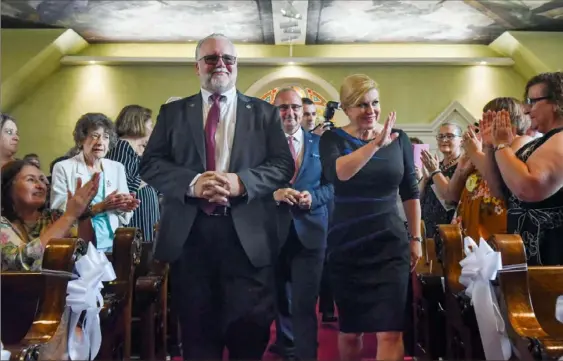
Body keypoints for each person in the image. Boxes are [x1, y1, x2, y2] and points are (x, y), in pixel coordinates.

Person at [139, 33, 294, 360]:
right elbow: (150, 164)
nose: (220, 64)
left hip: (247, 241)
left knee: (249, 336)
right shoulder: (174, 113)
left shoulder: (264, 113)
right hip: (191, 239)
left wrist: (242, 183)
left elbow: (282, 165)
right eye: (211, 58)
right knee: (197, 338)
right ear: (197, 67)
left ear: (236, 65)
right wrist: (193, 183)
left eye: (228, 59)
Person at [319, 74, 422, 361]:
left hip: (390, 243)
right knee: (351, 331)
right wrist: (375, 144)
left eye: (375, 103)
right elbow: (339, 174)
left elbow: (410, 191)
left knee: (391, 331)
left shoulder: (399, 139)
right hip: (347, 244)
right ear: (346, 108)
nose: (370, 110)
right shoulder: (332, 139)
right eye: (361, 105)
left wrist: (416, 239)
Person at [270, 88, 333, 360]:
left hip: (311, 232)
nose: (290, 112)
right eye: (283, 107)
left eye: (295, 107)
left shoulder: (321, 145)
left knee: (306, 303)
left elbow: (332, 186)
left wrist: (314, 198)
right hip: (272, 232)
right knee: (280, 300)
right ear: (274, 112)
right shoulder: (262, 145)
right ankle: (287, 348)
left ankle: (307, 354)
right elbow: (249, 184)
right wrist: (274, 194)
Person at [490, 72, 563, 265]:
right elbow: (501, 188)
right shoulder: (544, 141)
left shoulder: (561, 139)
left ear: (557, 102)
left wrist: (502, 146)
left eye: (533, 101)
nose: (528, 110)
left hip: (550, 254)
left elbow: (529, 188)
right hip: (526, 250)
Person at [50, 113, 138, 252]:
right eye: (94, 136)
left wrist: (124, 205)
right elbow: (58, 211)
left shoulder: (117, 167)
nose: (100, 142)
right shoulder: (63, 167)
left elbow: (123, 214)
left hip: (114, 241)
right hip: (79, 242)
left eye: (106, 137)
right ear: (81, 140)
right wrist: (100, 207)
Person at [1, 159, 99, 271]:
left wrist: (83, 215)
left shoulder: (55, 217)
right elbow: (21, 264)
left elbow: (86, 258)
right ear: (8, 187)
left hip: (60, 287)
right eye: (31, 179)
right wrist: (70, 216)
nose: (41, 185)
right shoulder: (3, 222)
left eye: (42, 180)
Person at [106, 104, 160, 242]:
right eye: (151, 125)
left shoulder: (138, 151)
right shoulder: (122, 147)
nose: (153, 130)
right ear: (138, 123)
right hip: (134, 219)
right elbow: (126, 186)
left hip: (146, 219)